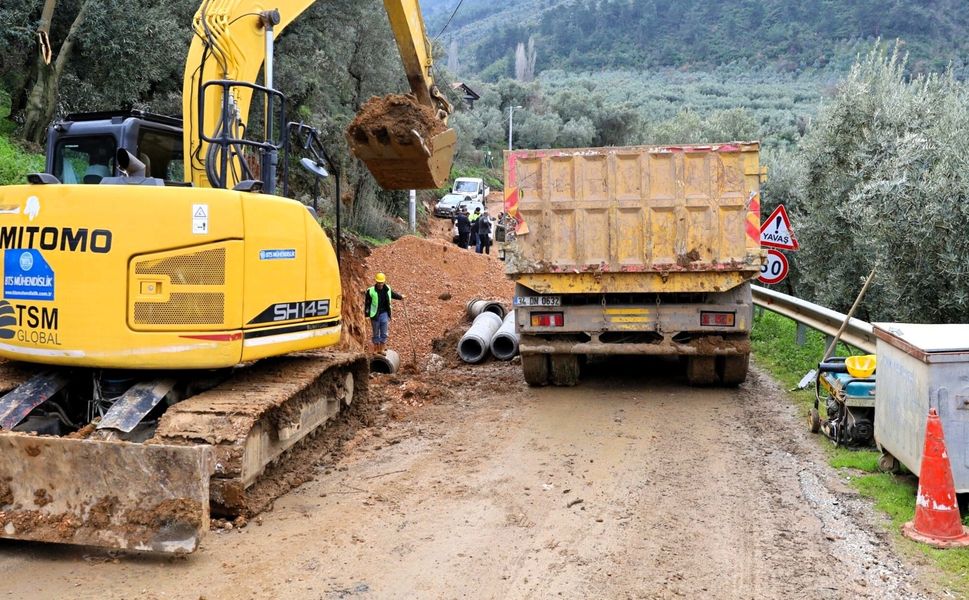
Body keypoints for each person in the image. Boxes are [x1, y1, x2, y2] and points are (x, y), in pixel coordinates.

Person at [363, 273, 404, 355]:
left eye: (381, 282)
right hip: (375, 314)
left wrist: (401, 297)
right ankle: (376, 349)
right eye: (378, 282)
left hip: (384, 313)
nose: (380, 284)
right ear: (376, 281)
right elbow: (367, 303)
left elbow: (393, 294)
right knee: (375, 333)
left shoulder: (387, 289)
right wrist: (367, 314)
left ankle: (381, 349)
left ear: (384, 282)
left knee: (384, 333)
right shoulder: (370, 291)